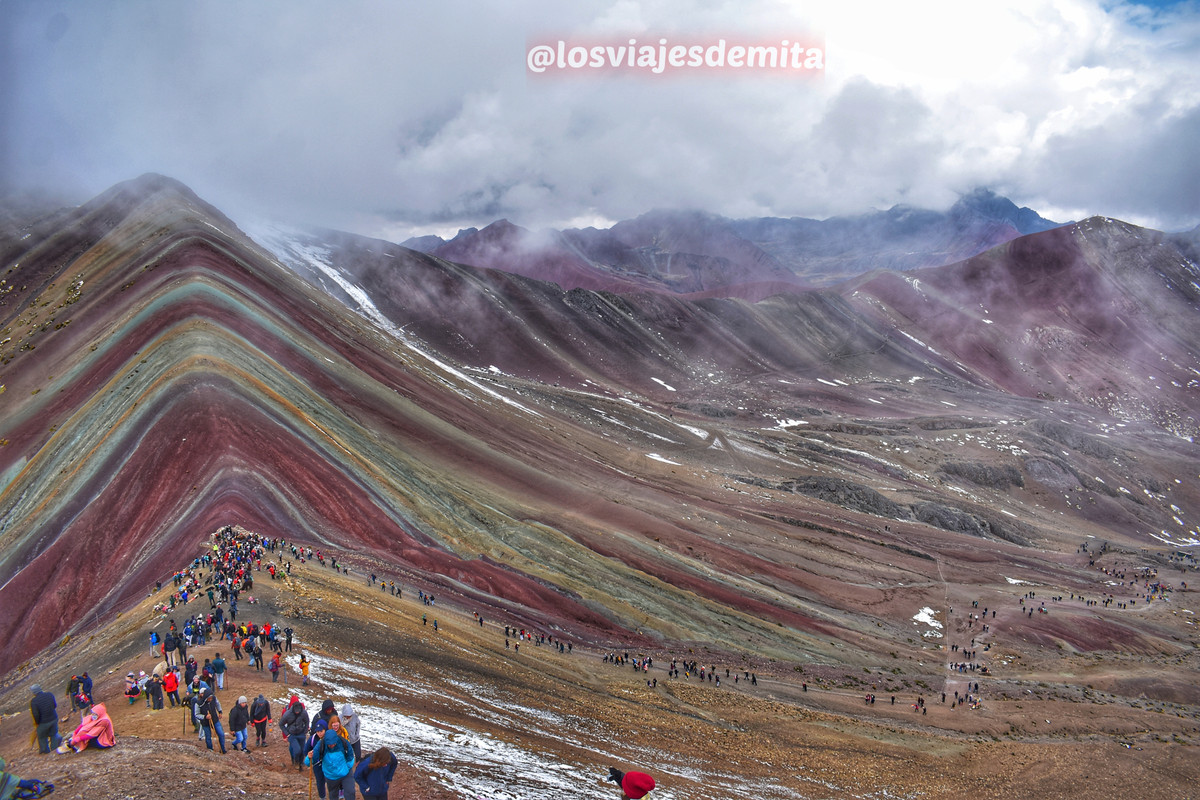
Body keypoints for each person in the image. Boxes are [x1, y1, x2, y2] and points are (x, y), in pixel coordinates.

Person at [314, 716, 356, 800]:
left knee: (350, 791)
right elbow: (314, 756)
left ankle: (342, 793)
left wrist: (347, 767)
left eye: (337, 725)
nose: (332, 745)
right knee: (333, 794)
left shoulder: (344, 739)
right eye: (334, 725)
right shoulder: (321, 743)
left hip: (344, 770)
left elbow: (350, 755)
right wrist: (309, 758)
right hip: (331, 774)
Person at [29, 685, 61, 754]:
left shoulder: (34, 701)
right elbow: (54, 705)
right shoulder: (49, 694)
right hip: (53, 718)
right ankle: (54, 750)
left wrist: (37, 723)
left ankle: (45, 751)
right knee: (53, 734)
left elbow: (36, 714)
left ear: (34, 692)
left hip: (43, 722)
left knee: (42, 737)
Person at [280, 695, 310, 770]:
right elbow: (281, 724)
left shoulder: (303, 712)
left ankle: (300, 762)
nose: (297, 712)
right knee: (297, 750)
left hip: (301, 733)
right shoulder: (287, 713)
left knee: (303, 750)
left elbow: (307, 721)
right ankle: (296, 761)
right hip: (292, 734)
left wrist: (305, 731)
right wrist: (286, 734)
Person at [197, 687, 227, 754]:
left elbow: (218, 704)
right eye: (209, 698)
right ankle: (210, 750)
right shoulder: (199, 703)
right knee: (208, 736)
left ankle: (222, 748)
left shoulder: (214, 699)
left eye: (211, 698)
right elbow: (196, 714)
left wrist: (220, 712)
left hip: (215, 719)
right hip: (205, 723)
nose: (210, 699)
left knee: (221, 734)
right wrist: (205, 716)